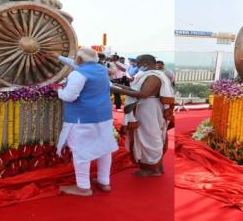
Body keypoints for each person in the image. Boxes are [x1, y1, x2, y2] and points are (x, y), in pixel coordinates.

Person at [55, 48, 118, 197]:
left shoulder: (78, 73)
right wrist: (57, 57)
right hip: (103, 116)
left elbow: (70, 96)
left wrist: (58, 91)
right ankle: (104, 181)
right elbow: (79, 64)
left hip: (82, 118)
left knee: (80, 150)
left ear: (80, 60)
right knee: (104, 149)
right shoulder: (101, 70)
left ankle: (83, 187)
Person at [111, 54, 175, 177]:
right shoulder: (150, 74)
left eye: (139, 62)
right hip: (146, 107)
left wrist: (117, 90)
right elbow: (136, 90)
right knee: (147, 135)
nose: (137, 64)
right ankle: (155, 165)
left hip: (149, 108)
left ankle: (153, 169)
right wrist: (118, 86)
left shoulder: (153, 76)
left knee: (150, 136)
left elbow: (144, 94)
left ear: (146, 63)